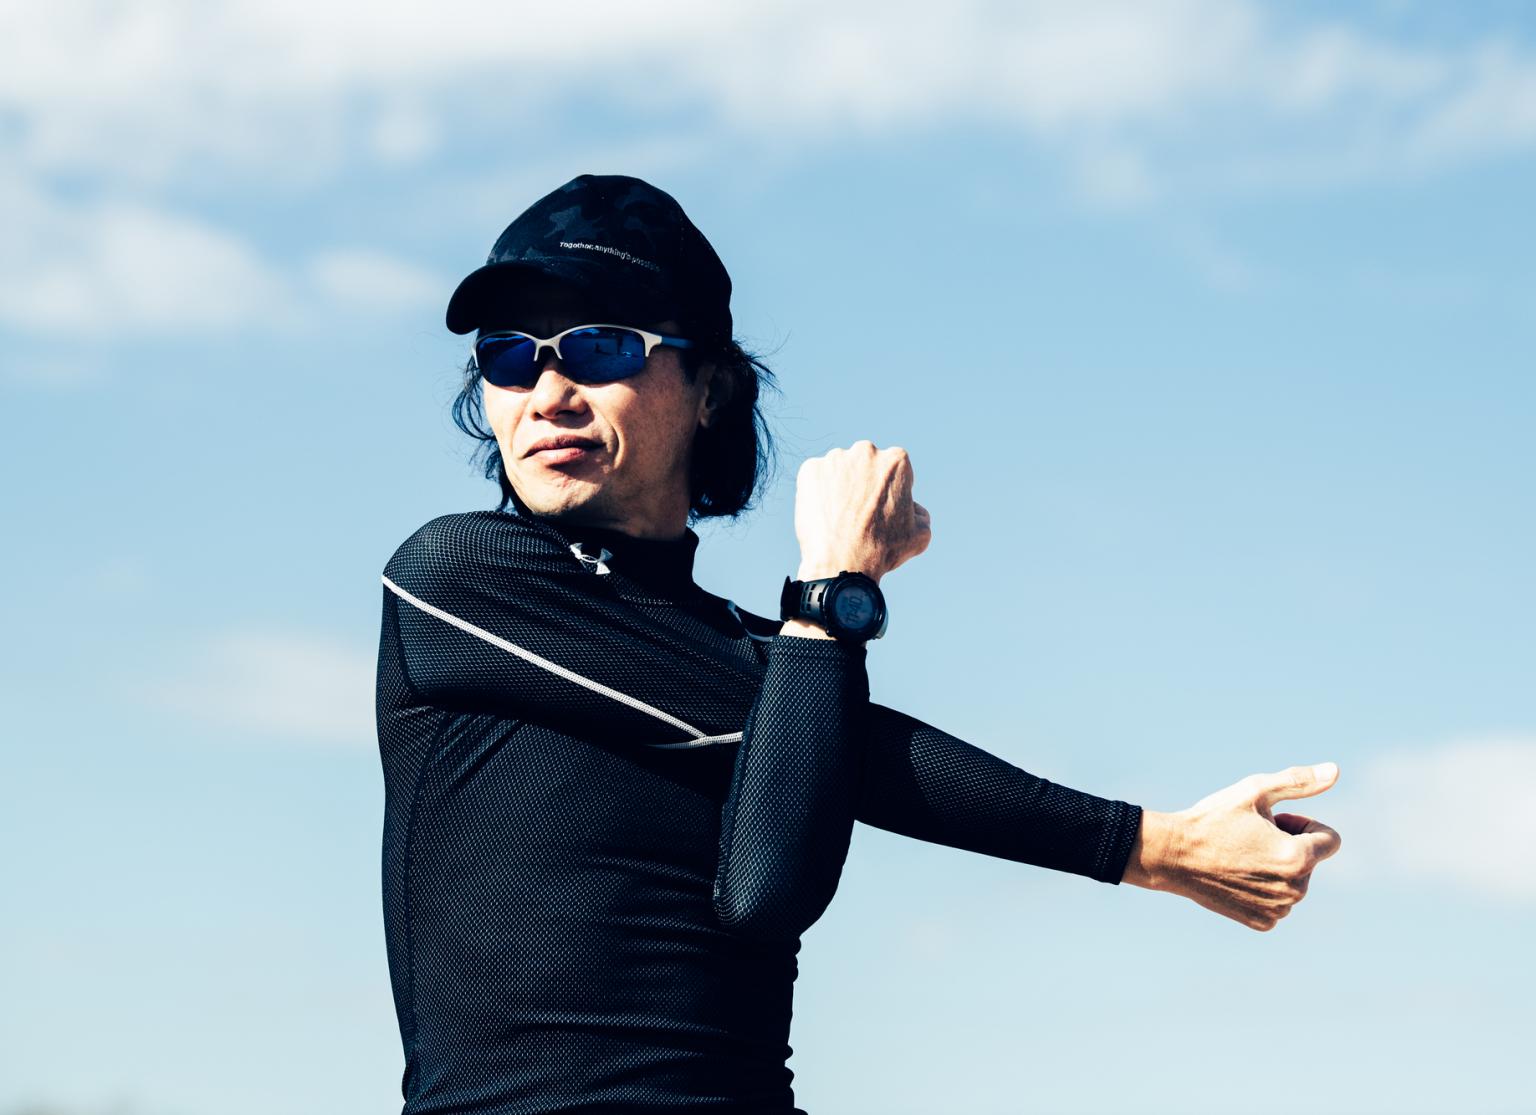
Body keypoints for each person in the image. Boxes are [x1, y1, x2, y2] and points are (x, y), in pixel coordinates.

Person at [375, 173, 1342, 1114]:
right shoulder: (454, 580)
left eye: (598, 346)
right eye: (508, 357)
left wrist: (820, 629)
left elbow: (767, 890)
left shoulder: (784, 664)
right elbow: (843, 757)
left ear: (709, 386)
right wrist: (832, 592)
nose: (546, 392)